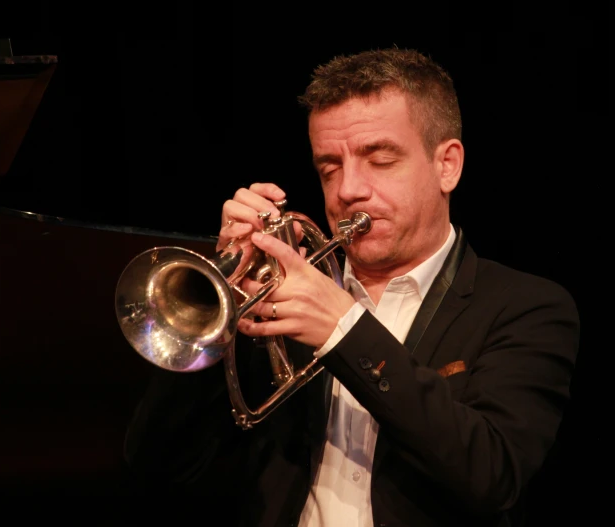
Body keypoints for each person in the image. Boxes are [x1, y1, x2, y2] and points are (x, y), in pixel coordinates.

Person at [121, 47, 579, 527]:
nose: (347, 191)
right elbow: (155, 463)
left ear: (448, 165)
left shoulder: (528, 307)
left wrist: (344, 328)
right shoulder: (282, 299)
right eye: (329, 168)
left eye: (379, 160)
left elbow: (492, 473)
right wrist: (223, 308)